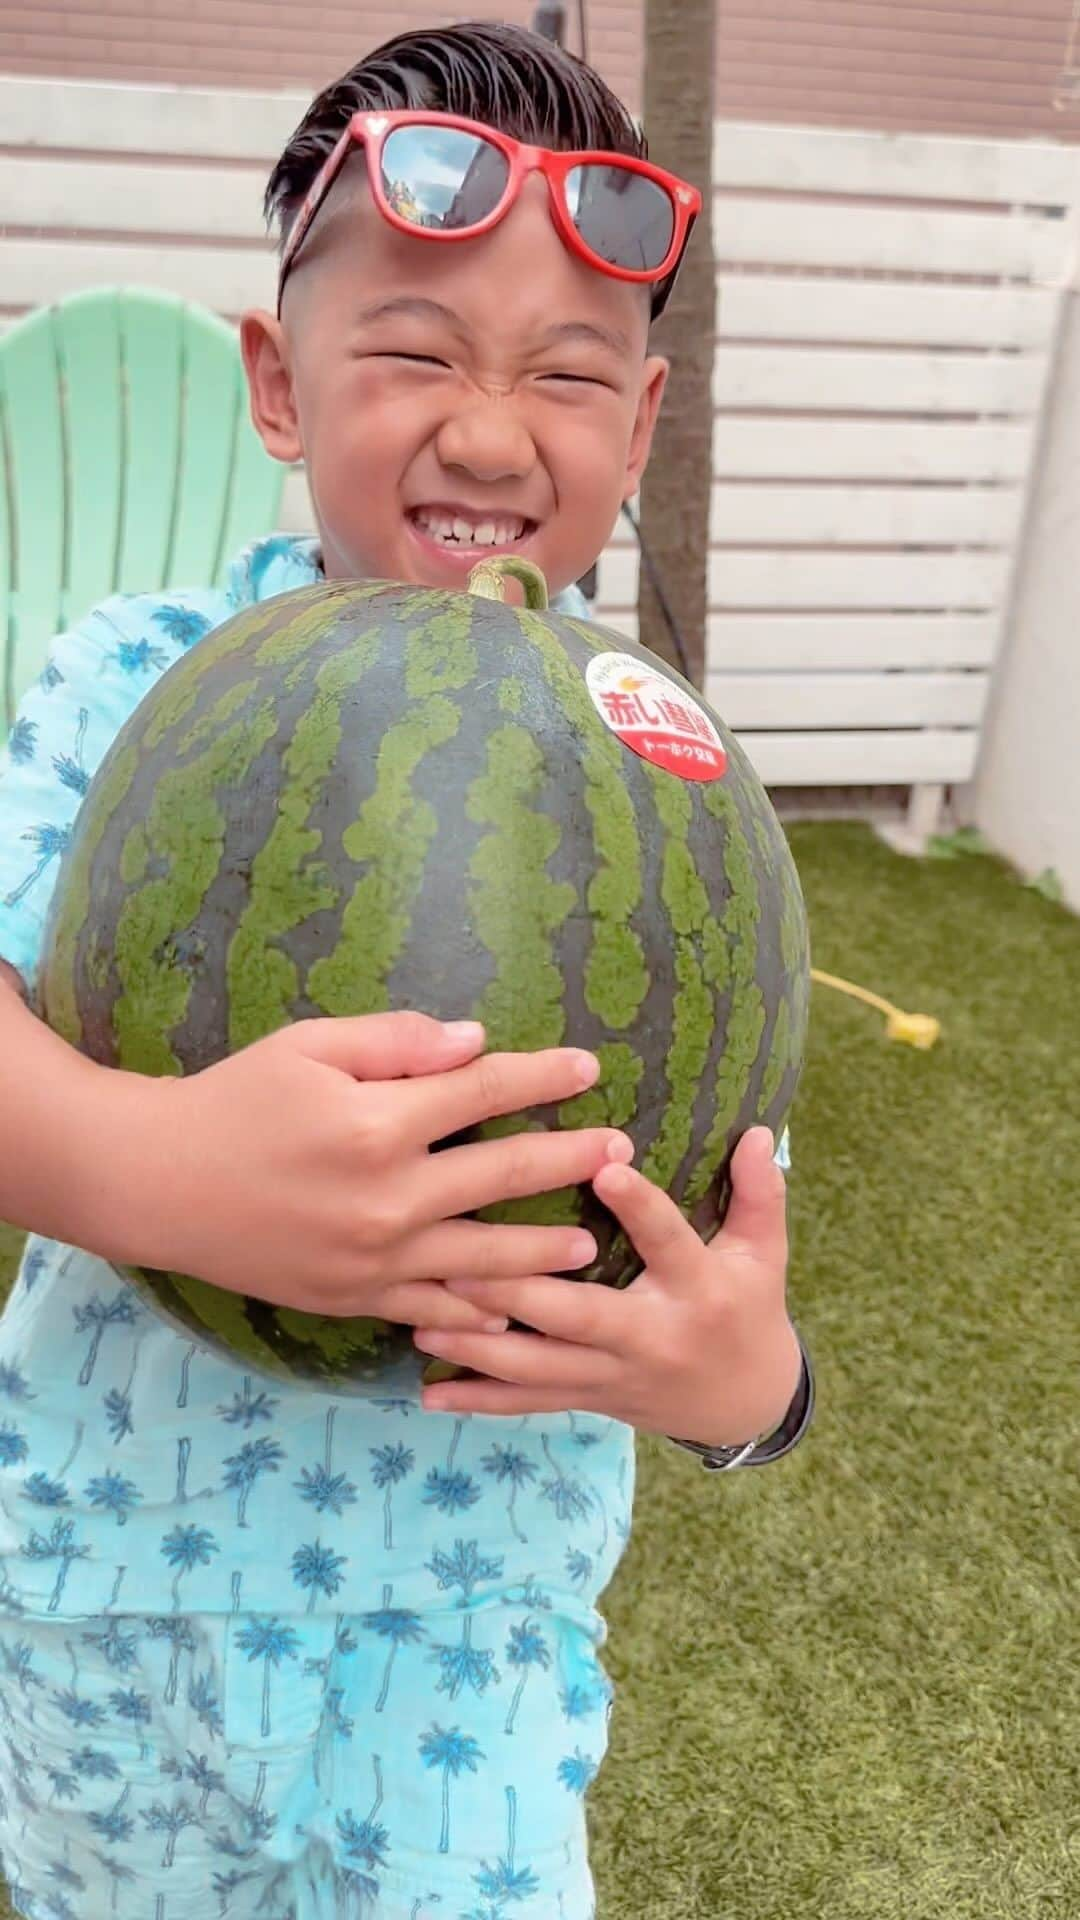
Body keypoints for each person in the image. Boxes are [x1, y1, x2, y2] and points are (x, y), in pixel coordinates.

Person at [0, 22, 812, 1919]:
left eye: (567, 376)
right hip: (109, 1607)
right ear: (280, 382)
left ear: (644, 417)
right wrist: (156, 1173)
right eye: (418, 349)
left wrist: (741, 1385)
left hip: (466, 1652)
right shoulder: (130, 674)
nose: (487, 430)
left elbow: (720, 1220)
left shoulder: (662, 758)